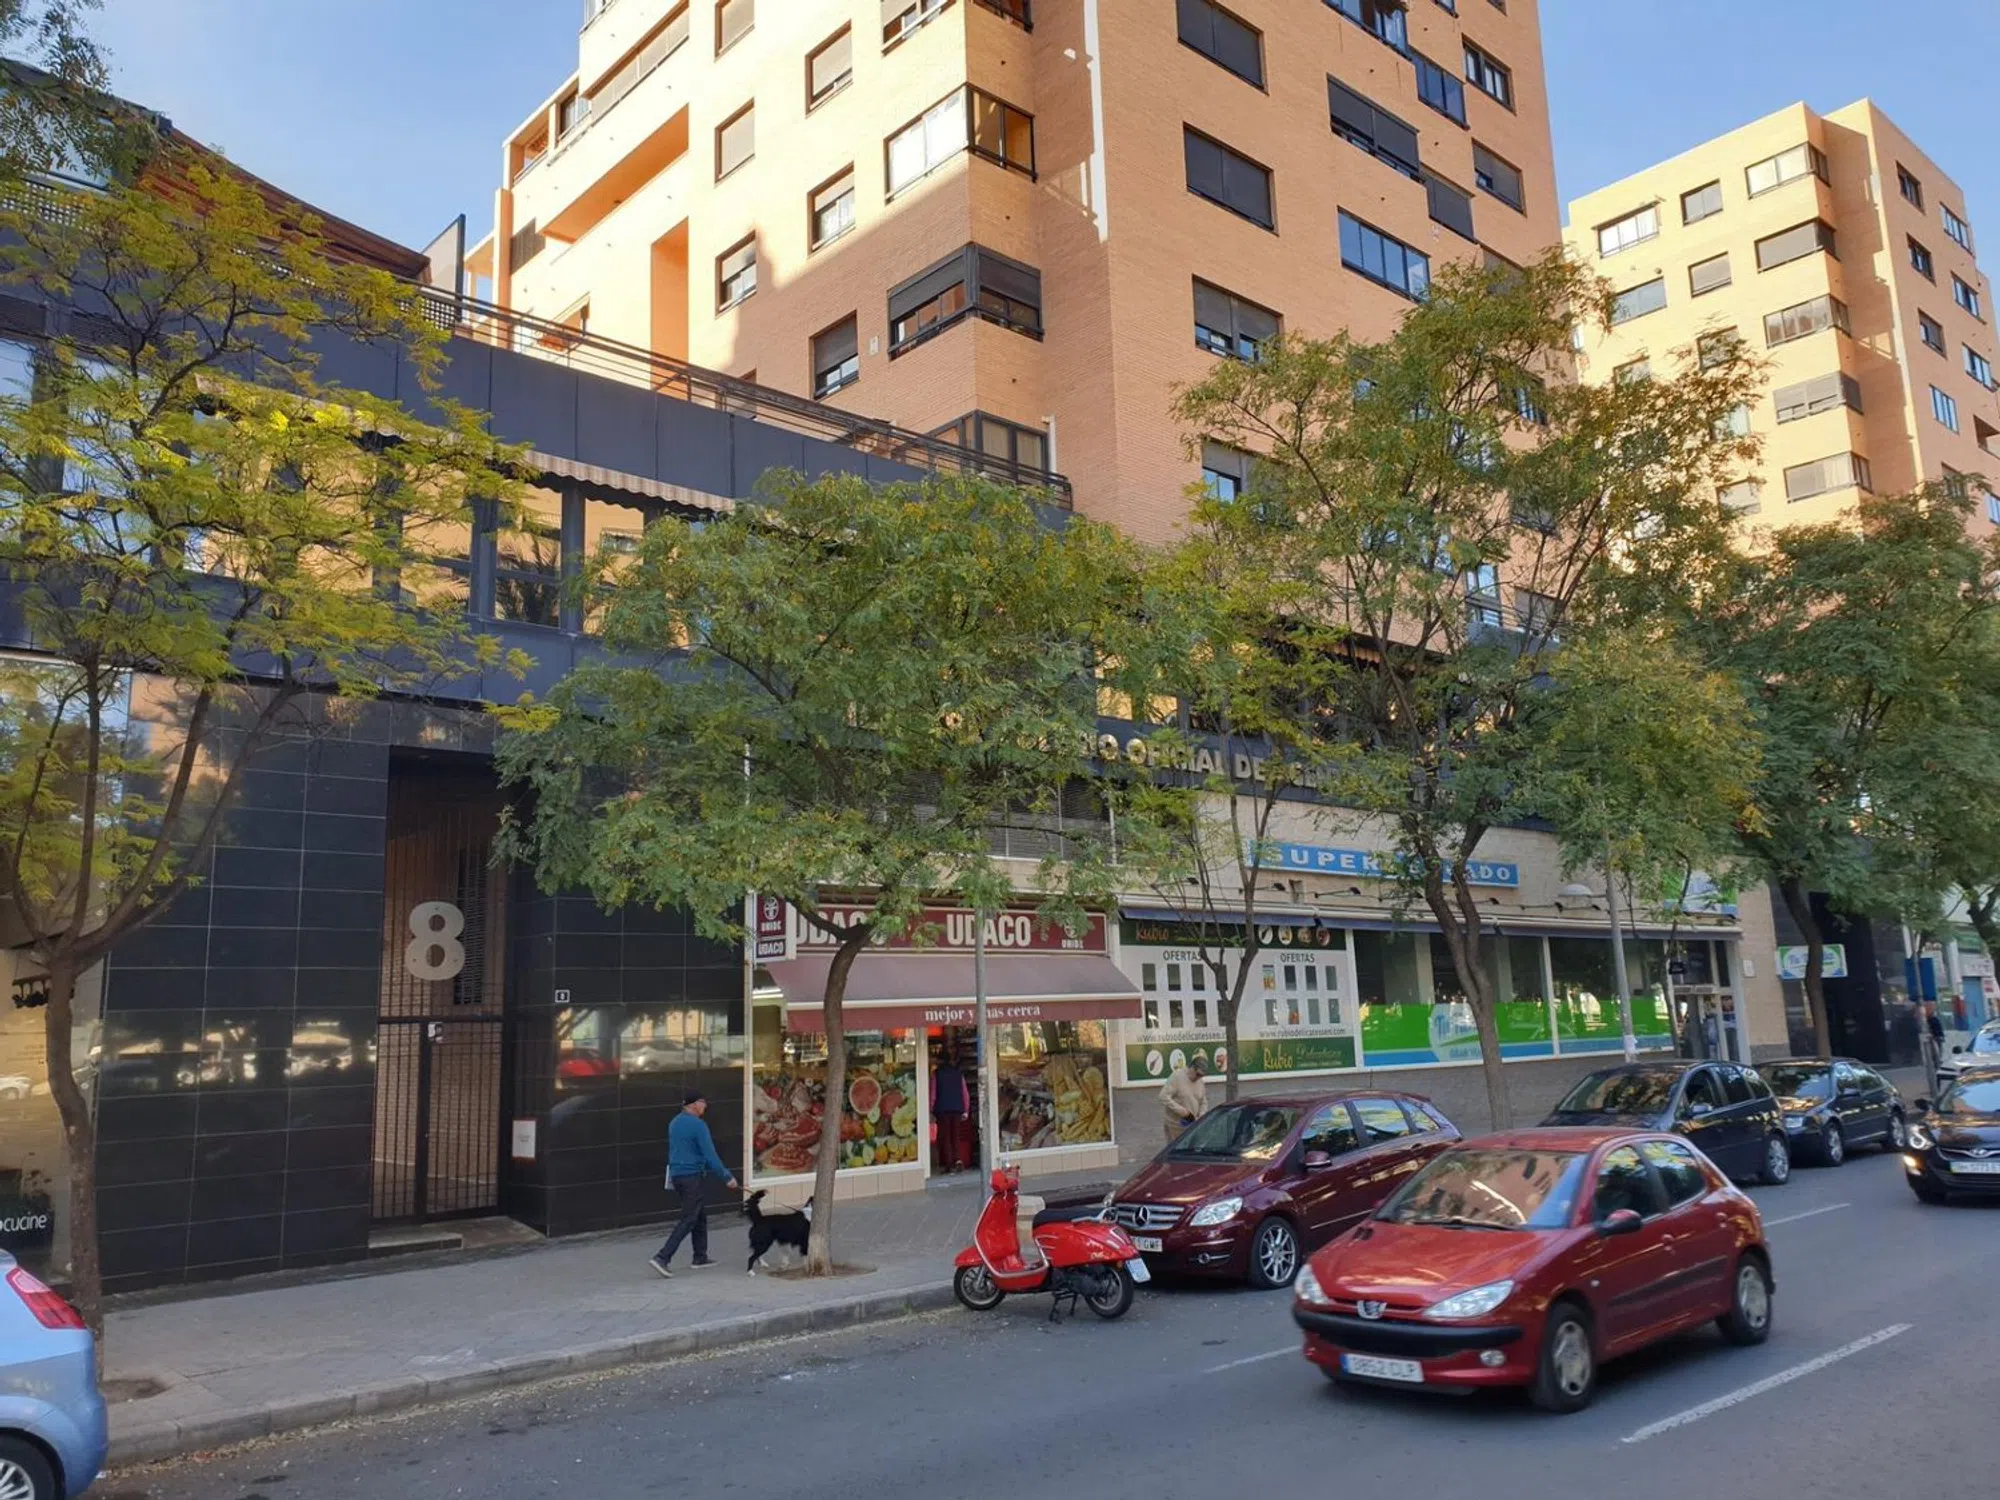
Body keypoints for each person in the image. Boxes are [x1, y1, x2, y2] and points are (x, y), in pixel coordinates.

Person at [650, 1090, 737, 1278]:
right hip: (692, 1176)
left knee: (699, 1214)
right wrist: (727, 1177)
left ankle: (700, 1256)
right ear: (694, 1104)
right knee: (689, 1217)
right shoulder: (698, 1125)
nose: (705, 1106)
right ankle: (662, 1257)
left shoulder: (674, 1122)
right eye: (703, 1102)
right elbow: (710, 1154)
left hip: (677, 1175)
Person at [931, 1053, 971, 1173]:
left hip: (942, 1109)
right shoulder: (958, 1074)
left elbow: (933, 1093)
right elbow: (965, 1093)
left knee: (945, 1136)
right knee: (955, 1135)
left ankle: (948, 1163)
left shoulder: (937, 1074)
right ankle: (958, 1160)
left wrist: (930, 1109)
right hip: (957, 1108)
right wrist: (966, 1110)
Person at [1160, 1058, 1208, 1143]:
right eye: (1198, 1074)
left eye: (1202, 1076)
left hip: (1192, 1126)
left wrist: (1201, 1114)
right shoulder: (1177, 1076)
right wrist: (1182, 1111)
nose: (1199, 1078)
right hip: (1175, 1126)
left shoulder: (1200, 1081)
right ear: (1192, 1068)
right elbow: (1163, 1096)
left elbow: (1203, 1101)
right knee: (1175, 1150)